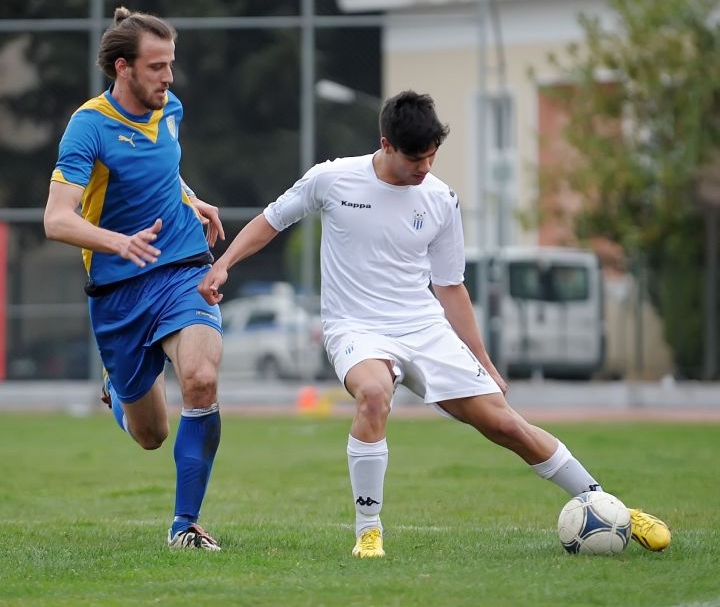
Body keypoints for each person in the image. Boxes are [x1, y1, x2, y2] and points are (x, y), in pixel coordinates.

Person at [197, 90, 671, 558]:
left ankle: (616, 511)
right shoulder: (333, 179)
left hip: (424, 328)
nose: (424, 167)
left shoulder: (442, 199)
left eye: (431, 156)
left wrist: (483, 362)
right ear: (385, 145)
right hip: (355, 327)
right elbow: (271, 220)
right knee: (374, 393)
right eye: (414, 158)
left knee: (507, 426)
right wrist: (225, 265)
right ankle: (368, 533)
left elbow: (450, 288)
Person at [44, 6, 225, 551]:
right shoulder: (89, 126)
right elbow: (57, 218)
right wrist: (117, 242)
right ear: (123, 68)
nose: (168, 78)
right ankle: (117, 392)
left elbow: (164, 169)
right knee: (151, 435)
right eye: (157, 67)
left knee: (200, 379)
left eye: (171, 65)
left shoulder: (171, 108)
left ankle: (184, 527)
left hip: (182, 269)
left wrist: (193, 199)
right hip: (120, 289)